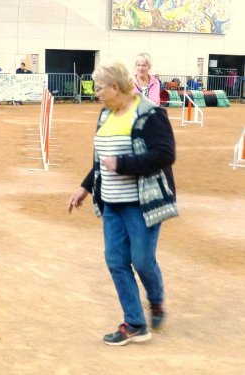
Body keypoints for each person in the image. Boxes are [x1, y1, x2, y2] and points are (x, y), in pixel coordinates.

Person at [67, 61, 178, 346]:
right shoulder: (105, 115)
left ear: (115, 87)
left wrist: (123, 164)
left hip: (142, 203)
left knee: (142, 261)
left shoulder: (150, 114)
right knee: (116, 261)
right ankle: (135, 323)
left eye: (99, 88)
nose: (96, 94)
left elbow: (165, 155)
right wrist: (85, 187)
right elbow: (101, 161)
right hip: (112, 204)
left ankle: (156, 301)